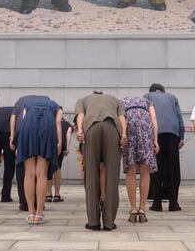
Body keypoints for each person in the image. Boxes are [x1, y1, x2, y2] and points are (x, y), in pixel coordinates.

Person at [75, 91, 127, 230]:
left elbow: (81, 115)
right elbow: (122, 118)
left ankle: (93, 222)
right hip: (112, 129)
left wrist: (80, 130)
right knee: (112, 176)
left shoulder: (83, 99)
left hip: (91, 129)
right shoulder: (116, 100)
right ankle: (109, 222)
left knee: (91, 175)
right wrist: (123, 135)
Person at [15, 97, 63, 225]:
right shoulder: (56, 106)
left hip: (27, 126)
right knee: (41, 173)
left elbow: (20, 121)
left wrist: (15, 138)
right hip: (47, 127)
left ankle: (31, 214)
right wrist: (59, 142)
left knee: (29, 173)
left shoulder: (27, 104)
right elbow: (58, 123)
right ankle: (39, 215)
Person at [144, 83, 184, 212]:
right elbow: (179, 118)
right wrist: (181, 137)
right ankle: (174, 203)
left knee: (156, 168)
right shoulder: (172, 97)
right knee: (173, 169)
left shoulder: (147, 96)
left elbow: (145, 116)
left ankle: (157, 203)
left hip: (155, 136)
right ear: (163, 91)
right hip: (173, 134)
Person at [121, 95, 158, 224]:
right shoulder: (147, 102)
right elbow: (153, 118)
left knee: (130, 170)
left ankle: (132, 209)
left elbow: (120, 118)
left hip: (128, 125)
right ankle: (142, 209)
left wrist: (122, 136)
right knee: (145, 170)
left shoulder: (123, 102)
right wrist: (155, 141)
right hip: (145, 127)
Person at [10, 94, 51, 211]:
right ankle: (39, 205)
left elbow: (13, 118)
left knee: (24, 171)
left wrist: (12, 137)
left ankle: (25, 203)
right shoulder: (46, 101)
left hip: (24, 134)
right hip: (43, 134)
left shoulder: (20, 101)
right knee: (41, 173)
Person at [46, 114, 72, 203]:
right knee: (57, 168)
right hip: (60, 148)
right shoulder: (66, 124)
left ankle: (48, 194)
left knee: (47, 169)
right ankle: (57, 195)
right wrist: (67, 148)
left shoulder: (48, 122)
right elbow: (68, 133)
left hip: (48, 147)